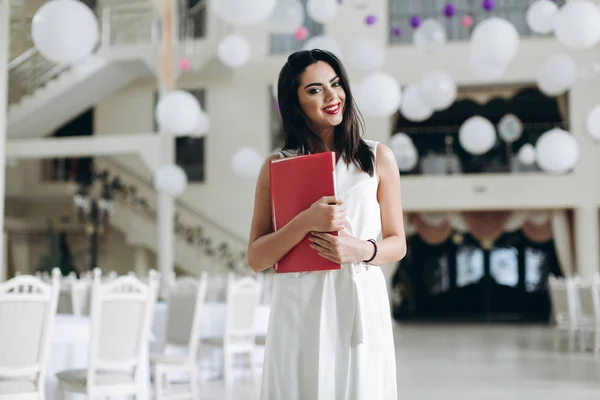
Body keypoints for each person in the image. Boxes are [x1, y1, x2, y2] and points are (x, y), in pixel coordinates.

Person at [247, 49, 407, 400]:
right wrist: (304, 222)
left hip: (359, 296)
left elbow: (398, 242)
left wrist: (362, 250)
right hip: (299, 301)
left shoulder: (377, 158)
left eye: (336, 84)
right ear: (295, 101)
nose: (332, 96)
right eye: (315, 89)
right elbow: (257, 258)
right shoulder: (276, 166)